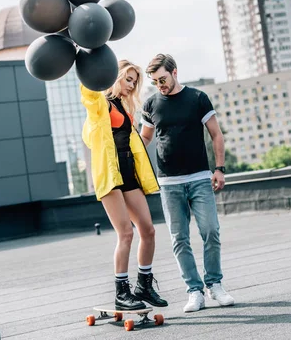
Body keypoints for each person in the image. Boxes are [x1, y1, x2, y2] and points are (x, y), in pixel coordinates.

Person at [140, 53, 234, 313]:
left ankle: (215, 285)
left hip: (200, 178)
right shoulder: (150, 105)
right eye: (155, 81)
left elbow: (216, 135)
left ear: (174, 72)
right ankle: (194, 291)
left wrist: (219, 169)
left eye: (163, 79)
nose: (160, 85)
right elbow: (143, 141)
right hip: (169, 183)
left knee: (210, 231)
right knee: (179, 239)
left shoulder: (197, 98)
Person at [80, 59, 168, 311]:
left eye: (134, 81)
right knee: (126, 234)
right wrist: (88, 60)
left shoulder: (125, 108)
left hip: (129, 176)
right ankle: (121, 291)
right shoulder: (100, 104)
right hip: (110, 178)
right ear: (115, 76)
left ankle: (144, 285)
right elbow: (88, 90)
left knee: (148, 230)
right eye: (128, 79)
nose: (131, 85)